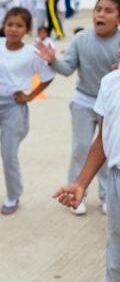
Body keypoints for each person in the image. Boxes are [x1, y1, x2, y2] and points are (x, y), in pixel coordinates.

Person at [37, 0, 120, 215]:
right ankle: (77, 191)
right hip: (84, 101)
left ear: (118, 18)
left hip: (112, 106)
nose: (101, 14)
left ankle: (105, 195)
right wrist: (53, 61)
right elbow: (67, 69)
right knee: (81, 148)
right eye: (98, 9)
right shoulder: (81, 39)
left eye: (108, 10)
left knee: (107, 150)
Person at [0, 8, 55, 215]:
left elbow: (47, 76)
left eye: (19, 26)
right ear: (4, 25)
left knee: (8, 153)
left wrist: (29, 96)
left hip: (13, 107)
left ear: (27, 30)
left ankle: (13, 195)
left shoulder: (32, 53)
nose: (13, 29)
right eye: (10, 24)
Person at [53, 69, 120, 281]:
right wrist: (81, 183)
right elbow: (103, 137)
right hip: (116, 179)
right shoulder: (110, 82)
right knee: (116, 258)